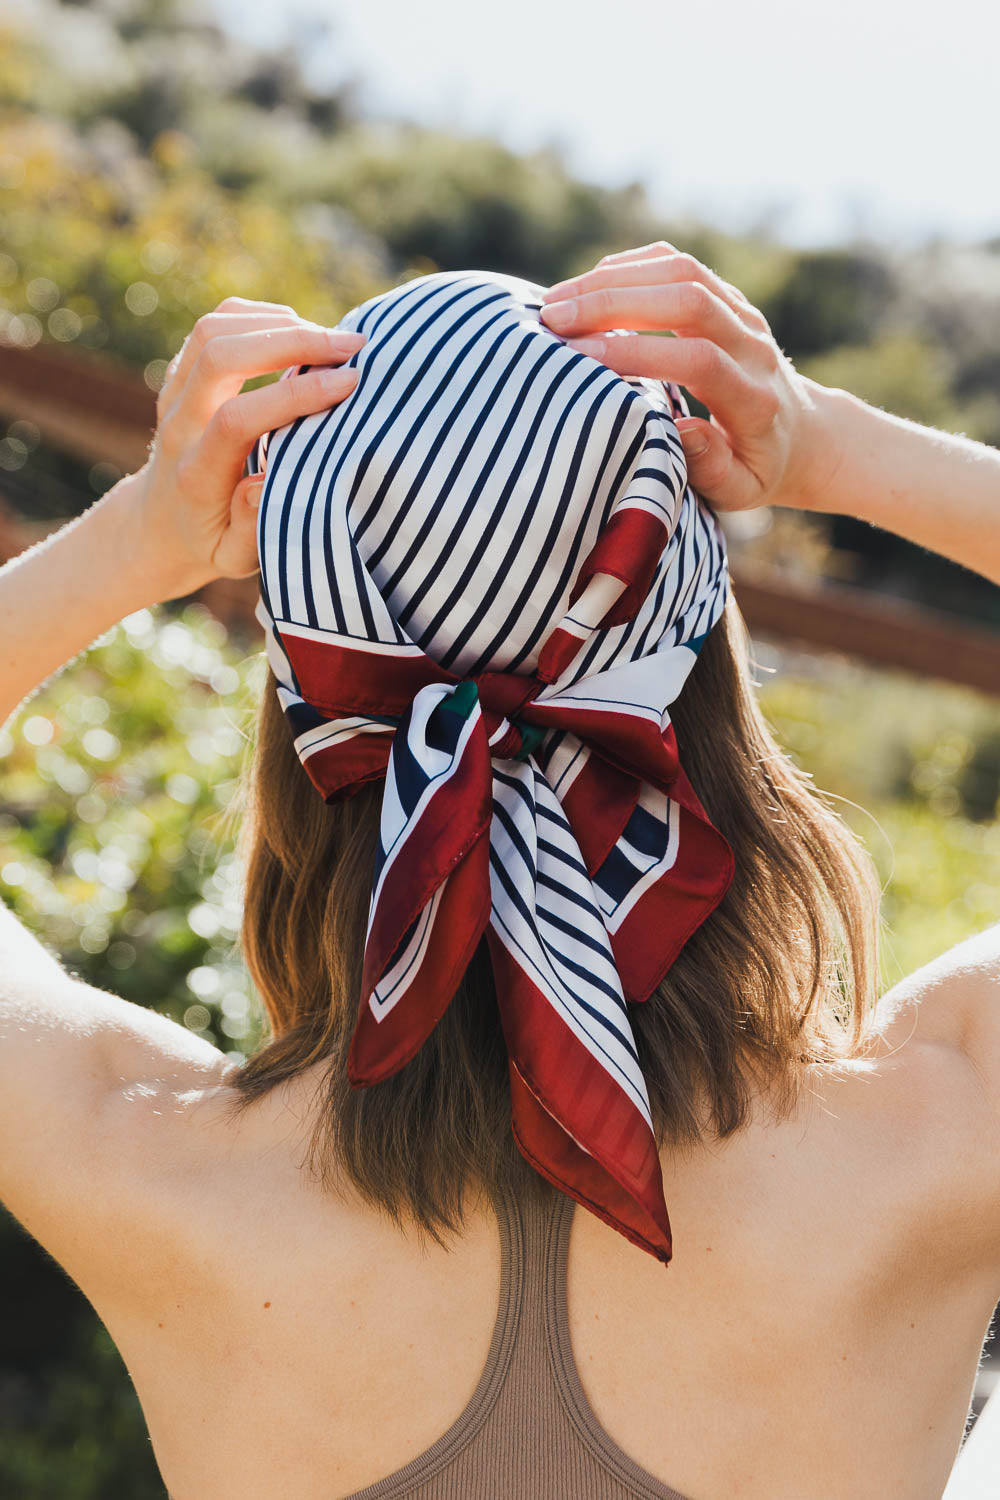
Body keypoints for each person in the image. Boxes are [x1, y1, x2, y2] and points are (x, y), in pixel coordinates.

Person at [0, 243, 997, 1500]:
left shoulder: (151, 1178)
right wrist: (831, 446)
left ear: (309, 710)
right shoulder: (929, 1146)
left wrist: (139, 539)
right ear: (699, 679)